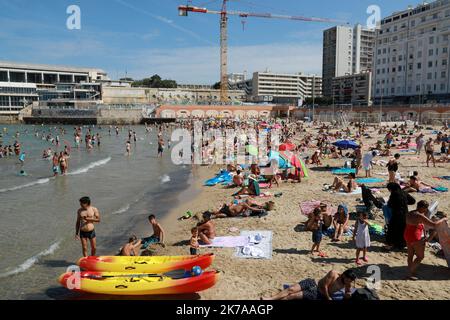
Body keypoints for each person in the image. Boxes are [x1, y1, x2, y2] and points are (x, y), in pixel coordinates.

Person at [404, 201, 447, 280]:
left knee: (410, 255)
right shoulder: (420, 216)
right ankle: (410, 273)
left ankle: (411, 271)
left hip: (407, 235)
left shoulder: (410, 213)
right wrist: (443, 219)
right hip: (415, 238)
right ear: (423, 207)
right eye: (425, 208)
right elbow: (434, 224)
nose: (426, 210)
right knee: (420, 257)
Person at [261, 269, 357, 300]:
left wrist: (347, 295)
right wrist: (328, 298)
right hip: (313, 283)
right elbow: (325, 286)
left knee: (293, 296)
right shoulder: (334, 274)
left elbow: (347, 293)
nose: (350, 282)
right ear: (344, 275)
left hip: (317, 293)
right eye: (349, 279)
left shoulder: (347, 284)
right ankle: (269, 299)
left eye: (351, 281)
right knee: (291, 289)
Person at [384, 182, 416, 250]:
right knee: (402, 229)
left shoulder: (394, 194)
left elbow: (389, 204)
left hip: (397, 215)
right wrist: (405, 203)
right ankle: (402, 244)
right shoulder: (404, 192)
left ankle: (390, 245)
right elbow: (413, 201)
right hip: (405, 214)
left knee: (392, 229)